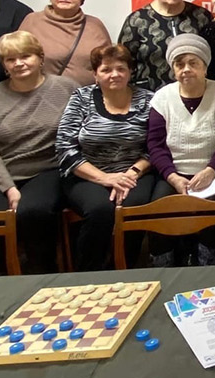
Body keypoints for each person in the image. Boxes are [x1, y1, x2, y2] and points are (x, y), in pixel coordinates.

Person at [0, 31, 77, 273]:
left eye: (25, 56)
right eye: (10, 59)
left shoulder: (66, 88)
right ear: (4, 64)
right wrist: (8, 187)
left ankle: (42, 276)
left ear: (40, 57)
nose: (18, 63)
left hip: (46, 168)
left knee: (34, 211)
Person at [55, 45, 155, 271]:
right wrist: (105, 178)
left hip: (135, 172)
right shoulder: (82, 98)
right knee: (100, 210)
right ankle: (88, 274)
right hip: (86, 173)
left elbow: (156, 146)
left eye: (121, 68)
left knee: (134, 206)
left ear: (130, 71)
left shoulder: (148, 100)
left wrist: (132, 173)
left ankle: (126, 269)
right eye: (106, 69)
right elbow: (64, 147)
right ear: (95, 74)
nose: (114, 74)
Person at [147, 34, 215, 266]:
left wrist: (210, 171)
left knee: (207, 210)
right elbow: (155, 145)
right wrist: (172, 177)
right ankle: (165, 270)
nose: (186, 69)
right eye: (179, 64)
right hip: (173, 173)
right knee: (159, 211)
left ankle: (210, 267)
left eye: (193, 63)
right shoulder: (162, 98)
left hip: (214, 172)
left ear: (205, 66)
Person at [117, 0, 213, 92]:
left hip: (195, 93)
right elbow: (123, 61)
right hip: (149, 94)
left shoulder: (201, 16)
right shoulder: (137, 20)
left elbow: (212, 56)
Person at [19, 0, 112, 86]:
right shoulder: (32, 21)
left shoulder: (95, 24)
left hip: (88, 95)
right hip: (46, 94)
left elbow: (109, 61)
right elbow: (17, 59)